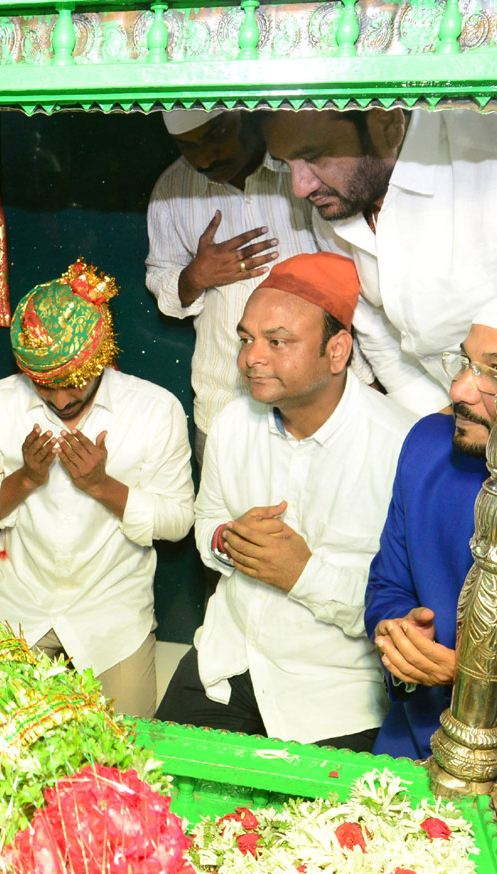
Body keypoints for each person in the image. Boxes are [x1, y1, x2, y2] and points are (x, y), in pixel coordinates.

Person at [157, 252, 415, 750]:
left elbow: (407, 607)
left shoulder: (401, 446)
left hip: (333, 691)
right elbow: (207, 518)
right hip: (227, 661)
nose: (252, 357)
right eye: (247, 339)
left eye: (278, 342)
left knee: (316, 829)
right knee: (146, 797)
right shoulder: (234, 419)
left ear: (337, 351)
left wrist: (300, 573)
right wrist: (226, 540)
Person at [365, 302, 497, 874]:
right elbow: (387, 587)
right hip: (401, 793)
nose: (459, 389)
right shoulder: (432, 450)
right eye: (464, 362)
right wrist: (401, 635)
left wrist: (479, 682)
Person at [0, 261, 194, 718]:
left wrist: (102, 487)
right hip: (19, 606)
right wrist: (25, 479)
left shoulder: (155, 408)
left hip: (112, 614)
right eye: (45, 387)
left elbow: (178, 521)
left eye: (73, 384)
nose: (61, 401)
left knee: (125, 758)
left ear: (100, 355)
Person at [261, 109, 497, 416]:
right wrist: (436, 417)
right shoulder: (336, 204)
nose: (301, 187)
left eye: (315, 156)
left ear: (388, 125)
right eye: (284, 164)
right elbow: (377, 330)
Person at [145, 109, 317, 461]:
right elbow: (159, 276)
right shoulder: (171, 190)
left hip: (315, 402)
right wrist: (194, 277)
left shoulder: (301, 171)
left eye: (216, 134)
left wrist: (362, 375)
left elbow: (350, 276)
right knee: (223, 517)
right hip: (224, 404)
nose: (205, 158)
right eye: (187, 146)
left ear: (246, 116)